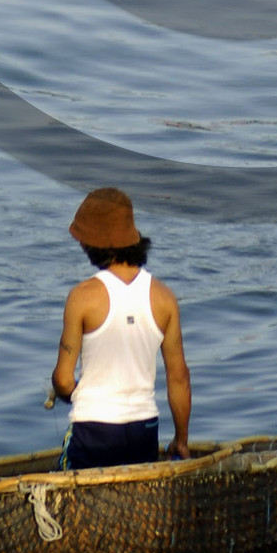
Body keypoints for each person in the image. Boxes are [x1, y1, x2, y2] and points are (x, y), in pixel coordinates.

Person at [50, 188, 190, 470]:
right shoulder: (164, 298)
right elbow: (179, 378)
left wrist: (67, 391)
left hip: (94, 429)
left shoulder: (82, 297)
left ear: (91, 244)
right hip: (144, 428)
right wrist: (181, 441)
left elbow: (64, 380)